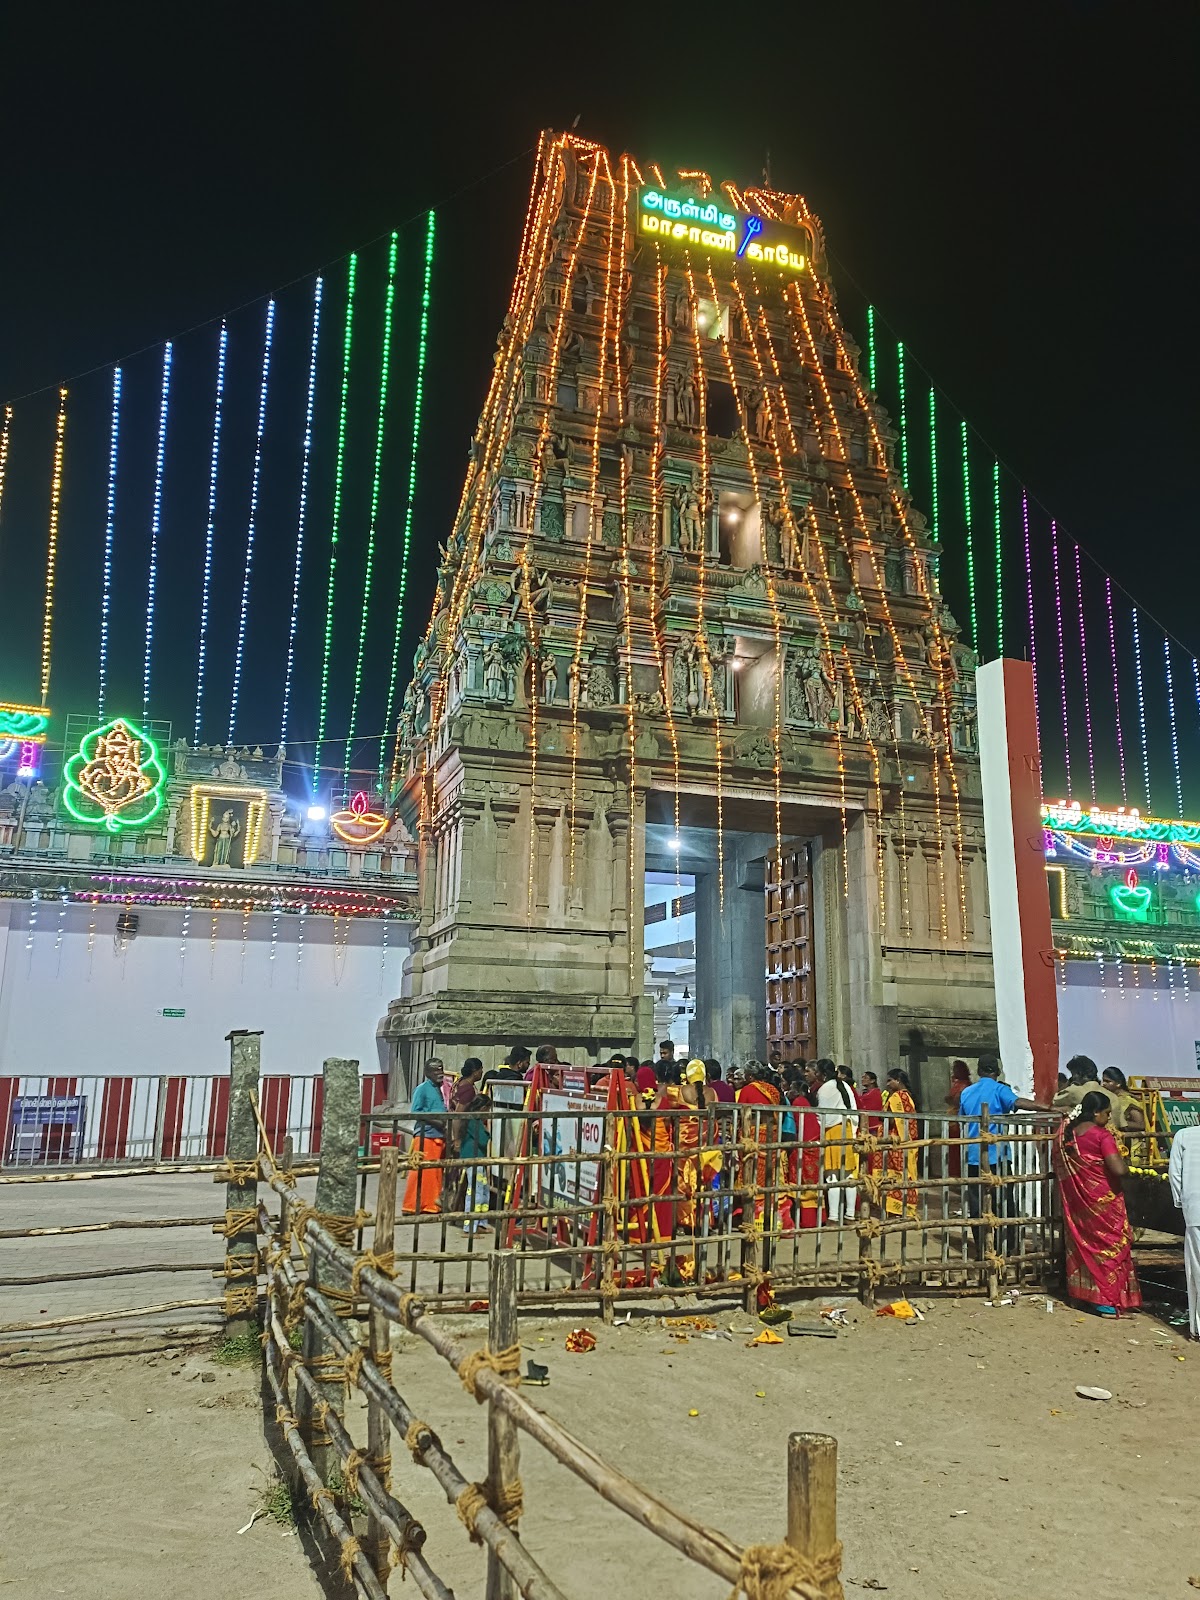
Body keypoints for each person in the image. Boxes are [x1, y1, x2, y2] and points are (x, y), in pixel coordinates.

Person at [1053, 1091, 1141, 1316]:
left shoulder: (1066, 1134)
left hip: (1079, 1204)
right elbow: (1118, 1169)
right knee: (1110, 1247)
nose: (1109, 1118)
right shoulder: (1102, 1136)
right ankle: (1107, 1299)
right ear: (1095, 1113)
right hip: (1104, 1202)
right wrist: (1133, 1171)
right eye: (1107, 1113)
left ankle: (1082, 1294)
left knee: (1083, 1244)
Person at [958, 1054, 1045, 1255]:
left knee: (977, 1204)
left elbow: (962, 1118)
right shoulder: (1000, 1089)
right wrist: (1048, 1108)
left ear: (979, 1071)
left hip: (974, 1155)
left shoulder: (967, 1092)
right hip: (998, 1156)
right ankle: (1007, 1247)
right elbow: (1020, 1103)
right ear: (996, 1072)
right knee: (1005, 1201)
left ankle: (982, 1246)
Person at [1168, 1121, 1200, 1340]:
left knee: (1196, 1269)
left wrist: (1181, 1201)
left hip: (1195, 1209)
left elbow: (1175, 1174)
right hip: (1194, 1208)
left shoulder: (1184, 1136)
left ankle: (1196, 1328)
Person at [815, 1059, 858, 1224]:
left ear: (823, 1073)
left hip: (832, 1131)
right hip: (847, 1128)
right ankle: (850, 1214)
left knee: (832, 1175)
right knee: (848, 1174)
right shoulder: (845, 1085)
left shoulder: (825, 1089)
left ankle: (833, 1216)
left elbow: (822, 1116)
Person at [403, 1060, 448, 1214]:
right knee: (422, 1171)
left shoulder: (439, 1089)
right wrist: (437, 1122)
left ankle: (430, 1204)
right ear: (427, 1073)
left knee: (434, 1172)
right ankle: (412, 1205)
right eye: (435, 1070)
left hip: (438, 1135)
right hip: (426, 1134)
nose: (439, 1073)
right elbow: (415, 1111)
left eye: (441, 1069)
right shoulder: (422, 1089)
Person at [882, 1068, 919, 1219]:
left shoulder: (897, 1097)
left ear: (898, 1080)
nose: (888, 1084)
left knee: (897, 1173)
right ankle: (904, 1208)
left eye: (890, 1080)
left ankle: (896, 1210)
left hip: (898, 1141)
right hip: (909, 1141)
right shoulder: (908, 1096)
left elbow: (891, 1119)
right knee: (906, 1173)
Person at [459, 1095, 493, 1234]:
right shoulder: (474, 1121)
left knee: (483, 1190)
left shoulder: (472, 1119)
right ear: (483, 1108)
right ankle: (470, 1227)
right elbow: (483, 1140)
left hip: (477, 1158)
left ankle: (480, 1223)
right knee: (475, 1192)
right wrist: (488, 1132)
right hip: (473, 1158)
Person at [1100, 1067, 1145, 1141]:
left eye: (1108, 1081)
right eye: (1103, 1081)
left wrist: (1118, 1123)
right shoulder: (1110, 1098)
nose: (1103, 1084)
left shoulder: (1128, 1100)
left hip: (1131, 1145)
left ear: (1118, 1084)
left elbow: (1141, 1124)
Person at [946, 1061, 972, 1179]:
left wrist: (949, 1099)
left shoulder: (965, 1085)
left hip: (958, 1119)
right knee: (952, 1148)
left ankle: (960, 1174)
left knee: (957, 1147)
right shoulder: (957, 1084)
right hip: (952, 1118)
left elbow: (958, 1100)